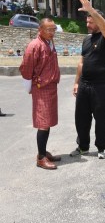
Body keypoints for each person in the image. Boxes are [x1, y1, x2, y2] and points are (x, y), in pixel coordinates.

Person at [70, 0, 105, 159]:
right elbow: (81, 62)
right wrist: (76, 82)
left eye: (91, 21)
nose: (87, 24)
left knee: (101, 118)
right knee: (81, 118)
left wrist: (91, 10)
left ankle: (102, 148)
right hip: (85, 84)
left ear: (98, 21)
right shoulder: (86, 40)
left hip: (101, 85)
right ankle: (82, 146)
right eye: (87, 21)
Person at [19, 18, 61, 170]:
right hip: (41, 87)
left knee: (47, 121)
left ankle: (43, 151)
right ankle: (41, 158)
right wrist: (30, 86)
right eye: (49, 30)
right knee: (43, 123)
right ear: (40, 30)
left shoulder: (50, 42)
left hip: (51, 87)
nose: (52, 33)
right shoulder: (34, 45)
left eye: (53, 29)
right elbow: (26, 68)